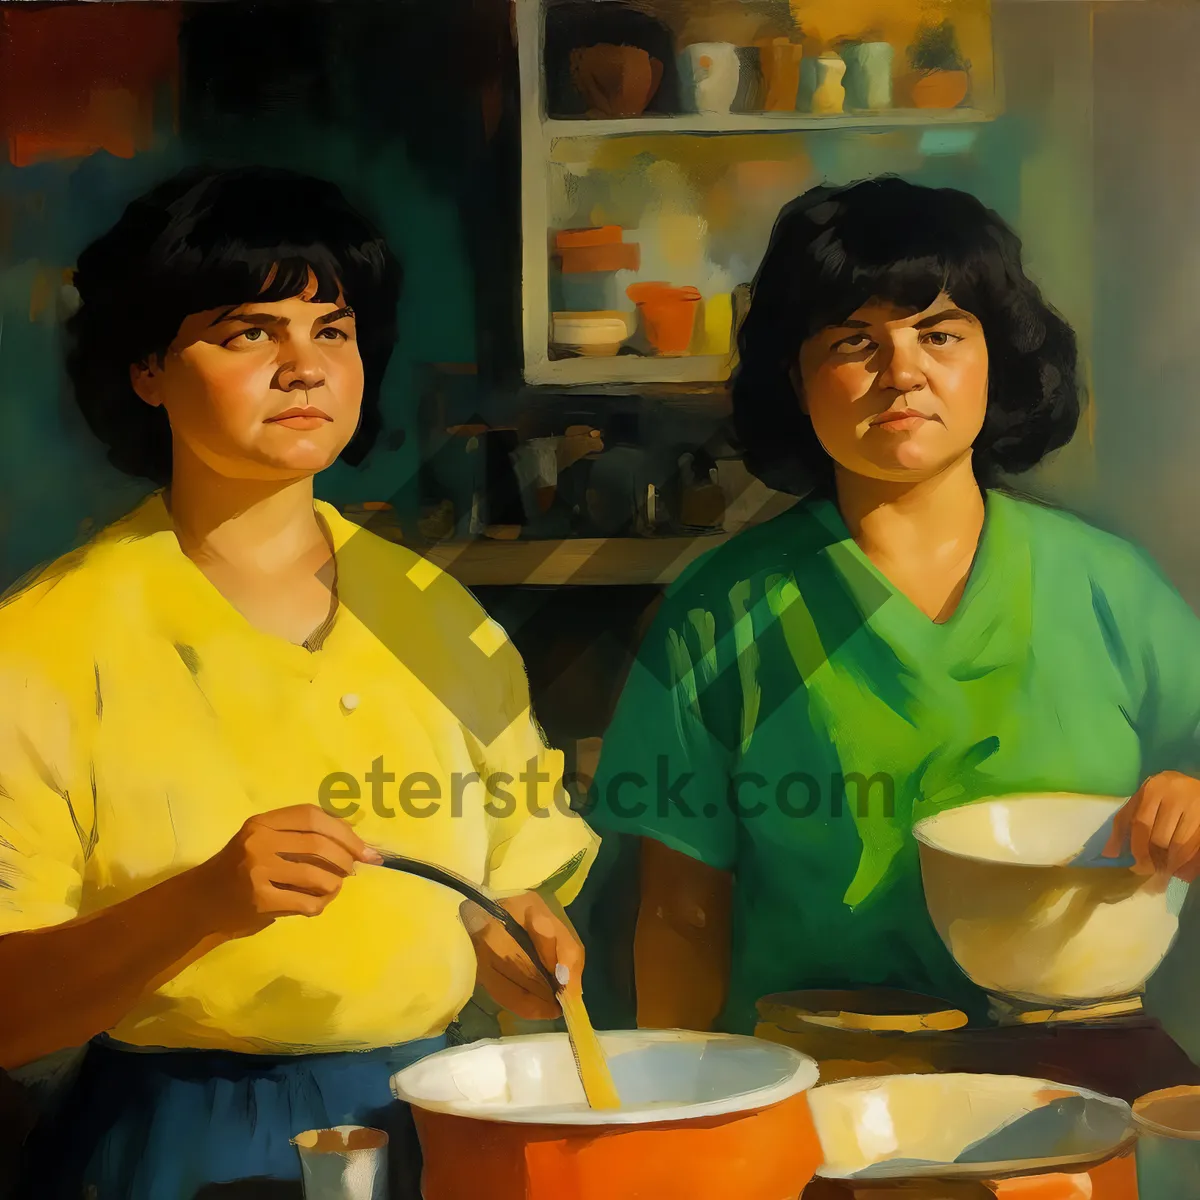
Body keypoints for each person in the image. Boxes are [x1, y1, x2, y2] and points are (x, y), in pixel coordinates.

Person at [0, 166, 598, 1199]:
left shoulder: (437, 616)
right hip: (178, 1143)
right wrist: (203, 904)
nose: (303, 368)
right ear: (146, 366)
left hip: (429, 1125)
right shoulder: (46, 642)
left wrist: (515, 937)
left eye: (332, 330)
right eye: (247, 333)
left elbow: (508, 878)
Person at [579, 176, 1200, 1037]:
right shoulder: (722, 615)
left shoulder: (1111, 589)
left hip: (1076, 1071)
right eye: (854, 342)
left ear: (998, 358)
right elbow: (680, 919)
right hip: (816, 1080)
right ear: (797, 381)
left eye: (940, 333)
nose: (903, 372)